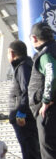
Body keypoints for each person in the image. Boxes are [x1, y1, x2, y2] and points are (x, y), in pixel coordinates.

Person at [7, 40, 41, 159]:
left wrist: (20, 114)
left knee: (30, 151)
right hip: (26, 117)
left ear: (11, 53)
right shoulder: (26, 65)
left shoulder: (23, 67)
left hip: (24, 118)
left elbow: (27, 92)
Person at [28, 22, 56, 159]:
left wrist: (46, 101)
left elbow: (51, 73)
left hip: (49, 112)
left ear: (34, 38)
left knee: (49, 153)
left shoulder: (45, 54)